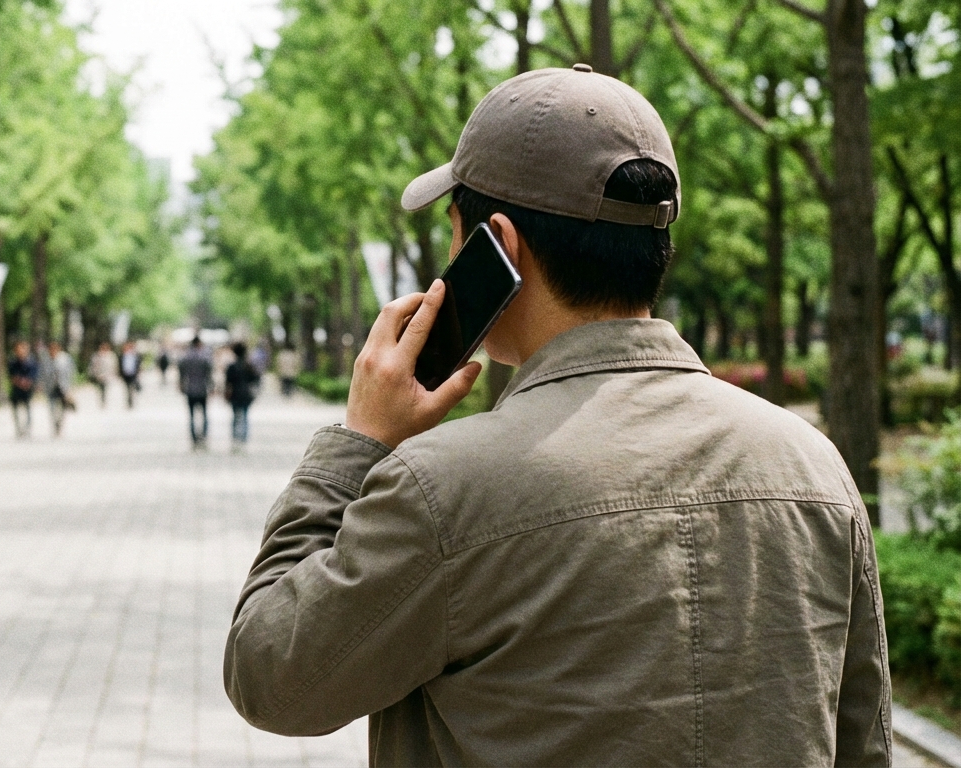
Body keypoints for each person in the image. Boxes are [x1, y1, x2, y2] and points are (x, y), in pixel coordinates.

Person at [224, 66, 888, 767]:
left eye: (455, 235)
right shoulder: (813, 465)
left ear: (499, 246)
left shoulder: (443, 489)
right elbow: (864, 741)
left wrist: (357, 444)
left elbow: (270, 677)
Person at [224, 342, 260, 449]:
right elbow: (255, 379)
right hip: (246, 394)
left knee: (235, 416)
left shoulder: (231, 366)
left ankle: (235, 437)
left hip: (235, 394)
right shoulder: (249, 366)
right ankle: (243, 438)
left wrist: (225, 393)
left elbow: (228, 382)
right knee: (245, 416)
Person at [177, 337, 212, 449]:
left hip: (190, 389)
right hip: (202, 389)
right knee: (204, 415)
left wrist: (181, 384)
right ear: (199, 344)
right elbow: (209, 373)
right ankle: (203, 437)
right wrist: (211, 386)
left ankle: (194, 438)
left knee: (191, 415)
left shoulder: (186, 357)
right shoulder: (205, 357)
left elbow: (181, 373)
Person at [39, 341, 75, 437]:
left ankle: (60, 423)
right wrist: (40, 384)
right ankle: (55, 424)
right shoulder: (45, 360)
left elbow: (70, 373)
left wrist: (70, 388)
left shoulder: (65, 359)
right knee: (52, 408)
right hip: (51, 387)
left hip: (63, 387)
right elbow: (41, 373)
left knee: (62, 408)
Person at [7, 341, 36, 438]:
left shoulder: (31, 362)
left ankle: (27, 429)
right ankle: (19, 429)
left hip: (27, 391)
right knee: (15, 411)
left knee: (28, 409)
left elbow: (33, 376)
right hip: (16, 391)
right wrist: (20, 382)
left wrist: (26, 383)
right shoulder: (13, 362)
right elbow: (12, 376)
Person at [89, 342, 117, 408]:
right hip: (99, 375)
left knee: (105, 388)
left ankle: (104, 400)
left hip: (108, 375)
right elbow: (93, 365)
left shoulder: (111, 355)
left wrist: (114, 373)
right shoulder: (97, 355)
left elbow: (114, 365)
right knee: (100, 389)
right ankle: (102, 399)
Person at [119, 341, 142, 409]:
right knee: (127, 388)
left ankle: (131, 402)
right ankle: (129, 401)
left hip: (133, 374)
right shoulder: (122, 356)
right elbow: (120, 365)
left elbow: (138, 365)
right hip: (125, 374)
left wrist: (138, 372)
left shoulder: (135, 356)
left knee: (131, 388)